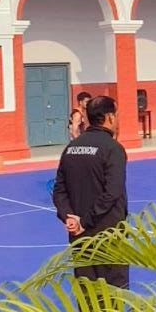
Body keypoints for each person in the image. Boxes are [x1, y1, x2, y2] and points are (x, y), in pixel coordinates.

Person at [52, 95, 130, 290]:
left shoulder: (71, 148)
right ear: (109, 117)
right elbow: (112, 192)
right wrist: (85, 221)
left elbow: (59, 190)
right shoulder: (113, 149)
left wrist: (69, 217)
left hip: (79, 236)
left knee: (87, 290)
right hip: (108, 234)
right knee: (113, 291)